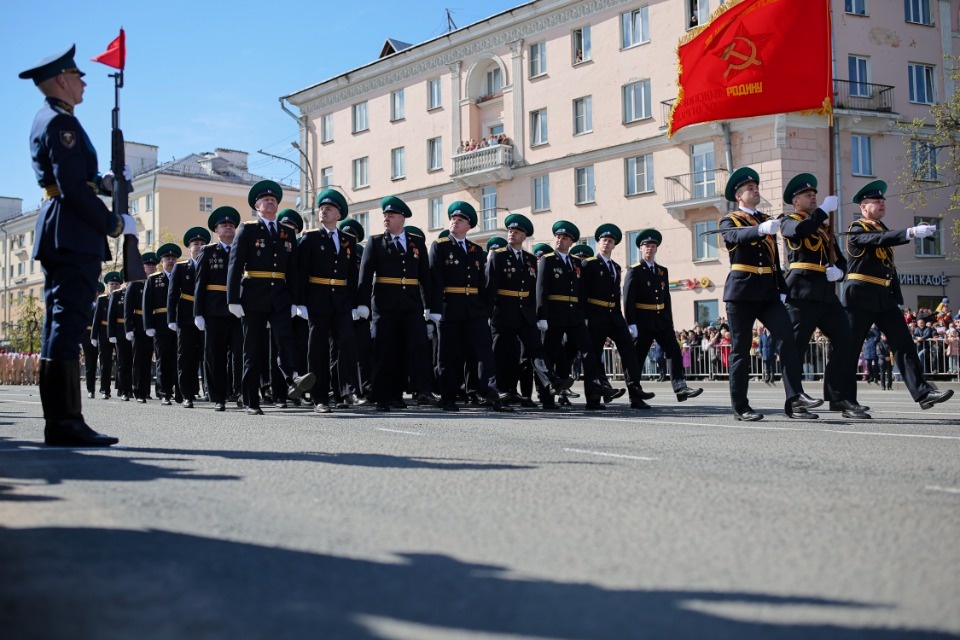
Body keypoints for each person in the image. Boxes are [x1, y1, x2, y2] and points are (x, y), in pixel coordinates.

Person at [21, 45, 138, 446]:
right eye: (77, 75)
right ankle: (65, 422)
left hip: (64, 229)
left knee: (62, 322)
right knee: (67, 323)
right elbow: (71, 188)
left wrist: (105, 183)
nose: (84, 81)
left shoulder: (55, 119)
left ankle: (64, 420)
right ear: (60, 81)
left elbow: (76, 179)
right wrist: (112, 222)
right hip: (71, 231)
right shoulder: (60, 124)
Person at [719, 167, 823, 421]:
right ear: (738, 196)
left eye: (756, 187)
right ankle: (740, 406)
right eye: (749, 188)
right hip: (742, 291)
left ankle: (795, 398)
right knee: (741, 350)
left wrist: (782, 289)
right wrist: (760, 230)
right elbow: (733, 237)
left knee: (787, 339)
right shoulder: (730, 219)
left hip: (768, 291)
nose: (755, 190)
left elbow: (774, 259)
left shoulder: (766, 217)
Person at [843, 179, 952, 410]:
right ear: (863, 207)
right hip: (860, 296)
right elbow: (876, 240)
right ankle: (845, 400)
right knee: (850, 348)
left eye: (883, 201)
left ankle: (923, 394)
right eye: (876, 201)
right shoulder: (856, 229)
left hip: (884, 297)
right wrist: (910, 232)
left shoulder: (882, 229)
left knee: (904, 344)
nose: (882, 204)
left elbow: (886, 246)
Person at [779, 173, 869, 419]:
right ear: (795, 201)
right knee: (795, 347)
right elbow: (799, 232)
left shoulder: (823, 227)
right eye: (807, 195)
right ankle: (795, 399)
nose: (813, 197)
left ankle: (839, 397)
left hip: (826, 294)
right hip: (801, 292)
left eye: (814, 194)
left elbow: (840, 259)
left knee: (846, 340)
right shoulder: (788, 220)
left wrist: (839, 272)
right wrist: (822, 211)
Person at [227, 180, 315, 415]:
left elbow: (294, 270)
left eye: (274, 200)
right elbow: (235, 266)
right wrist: (233, 298)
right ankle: (250, 400)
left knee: (285, 339)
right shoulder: (248, 229)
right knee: (253, 349)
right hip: (253, 295)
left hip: (279, 295)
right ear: (257, 206)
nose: (270, 203)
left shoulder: (287, 232)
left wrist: (298, 301)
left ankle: (293, 378)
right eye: (265, 200)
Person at [428, 201, 512, 412]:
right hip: (450, 307)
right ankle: (448, 395)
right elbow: (434, 279)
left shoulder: (476, 250)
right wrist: (433, 308)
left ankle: (489, 391)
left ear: (469, 226)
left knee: (484, 352)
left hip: (474, 309)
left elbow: (482, 283)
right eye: (453, 218)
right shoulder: (440, 245)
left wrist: (485, 309)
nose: (455, 222)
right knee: (448, 354)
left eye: (461, 220)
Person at [356, 195, 434, 411]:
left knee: (408, 349)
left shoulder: (416, 242)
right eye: (385, 215)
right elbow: (365, 276)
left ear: (402, 219)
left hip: (411, 304)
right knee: (384, 350)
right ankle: (381, 396)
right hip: (384, 304)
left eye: (391, 215)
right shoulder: (375, 241)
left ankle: (399, 394)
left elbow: (424, 277)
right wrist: (362, 304)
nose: (386, 219)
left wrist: (429, 307)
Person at [486, 213, 571, 409]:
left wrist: (540, 315)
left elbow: (534, 290)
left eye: (516, 232)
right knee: (502, 355)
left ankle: (551, 381)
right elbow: (490, 287)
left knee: (536, 349)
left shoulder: (531, 259)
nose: (512, 234)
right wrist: (487, 314)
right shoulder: (498, 256)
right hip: (503, 312)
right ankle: (499, 393)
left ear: (524, 236)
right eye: (510, 230)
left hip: (525, 313)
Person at [536, 221, 616, 409]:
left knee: (589, 352)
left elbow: (581, 291)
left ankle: (594, 392)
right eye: (558, 236)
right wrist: (542, 316)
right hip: (554, 315)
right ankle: (546, 397)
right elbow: (541, 290)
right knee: (549, 354)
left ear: (571, 241)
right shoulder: (548, 260)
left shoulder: (576, 263)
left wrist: (584, 314)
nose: (560, 240)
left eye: (564, 238)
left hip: (575, 316)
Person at [296, 189, 363, 413]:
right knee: (317, 349)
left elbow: (353, 275)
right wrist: (300, 302)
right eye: (322, 208)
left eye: (329, 209)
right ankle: (319, 397)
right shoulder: (311, 237)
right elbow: (301, 271)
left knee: (346, 343)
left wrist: (356, 303)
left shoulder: (348, 240)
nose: (323, 211)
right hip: (317, 299)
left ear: (339, 215)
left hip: (341, 301)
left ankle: (345, 391)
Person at [622, 228, 702, 406]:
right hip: (643, 320)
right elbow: (628, 299)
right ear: (640, 249)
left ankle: (680, 387)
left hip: (661, 319)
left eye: (652, 246)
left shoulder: (662, 271)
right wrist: (631, 323)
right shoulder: (634, 270)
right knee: (638, 357)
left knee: (673, 349)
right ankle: (634, 394)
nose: (649, 249)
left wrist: (670, 321)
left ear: (656, 249)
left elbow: (667, 298)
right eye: (646, 246)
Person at [194, 206, 242, 412]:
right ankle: (218, 396)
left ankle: (241, 392)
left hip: (240, 309)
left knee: (241, 354)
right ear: (217, 230)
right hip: (214, 310)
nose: (229, 227)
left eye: (231, 225)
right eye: (224, 225)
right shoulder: (208, 251)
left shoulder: (242, 249)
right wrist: (198, 313)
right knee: (215, 355)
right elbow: (199, 284)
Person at [169, 226, 210, 408]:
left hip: (208, 313)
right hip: (186, 315)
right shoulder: (180, 268)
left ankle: (210, 391)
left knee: (209, 355)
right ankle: (187, 393)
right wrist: (171, 318)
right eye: (196, 244)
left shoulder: (211, 264)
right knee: (186, 356)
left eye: (202, 244)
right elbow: (172, 294)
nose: (199, 246)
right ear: (189, 248)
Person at [144, 243, 182, 405]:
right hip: (161, 324)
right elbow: (147, 304)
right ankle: (164, 392)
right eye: (167, 259)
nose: (171, 261)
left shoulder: (183, 276)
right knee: (164, 360)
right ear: (162, 262)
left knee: (180, 359)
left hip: (181, 323)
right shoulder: (154, 279)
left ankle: (181, 392)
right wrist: (149, 326)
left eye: (173, 258)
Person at [125, 253, 158, 403]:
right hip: (139, 325)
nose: (151, 267)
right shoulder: (135, 284)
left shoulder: (158, 281)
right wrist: (128, 328)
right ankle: (138, 390)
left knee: (151, 360)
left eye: (153, 265)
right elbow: (128, 308)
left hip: (156, 324)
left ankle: (147, 390)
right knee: (139, 359)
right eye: (148, 265)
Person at [91, 271, 122, 399]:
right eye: (111, 284)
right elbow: (96, 319)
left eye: (116, 284)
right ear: (107, 286)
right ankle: (105, 389)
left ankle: (122, 389)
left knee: (121, 362)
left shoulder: (122, 297)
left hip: (119, 331)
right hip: (104, 333)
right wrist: (93, 336)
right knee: (105, 363)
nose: (114, 286)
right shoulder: (102, 299)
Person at [106, 271, 133, 401]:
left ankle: (132, 388)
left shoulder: (138, 291)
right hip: (120, 333)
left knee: (133, 362)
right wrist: (111, 334)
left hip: (135, 331)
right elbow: (111, 315)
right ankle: (123, 389)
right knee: (123, 362)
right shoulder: (117, 294)